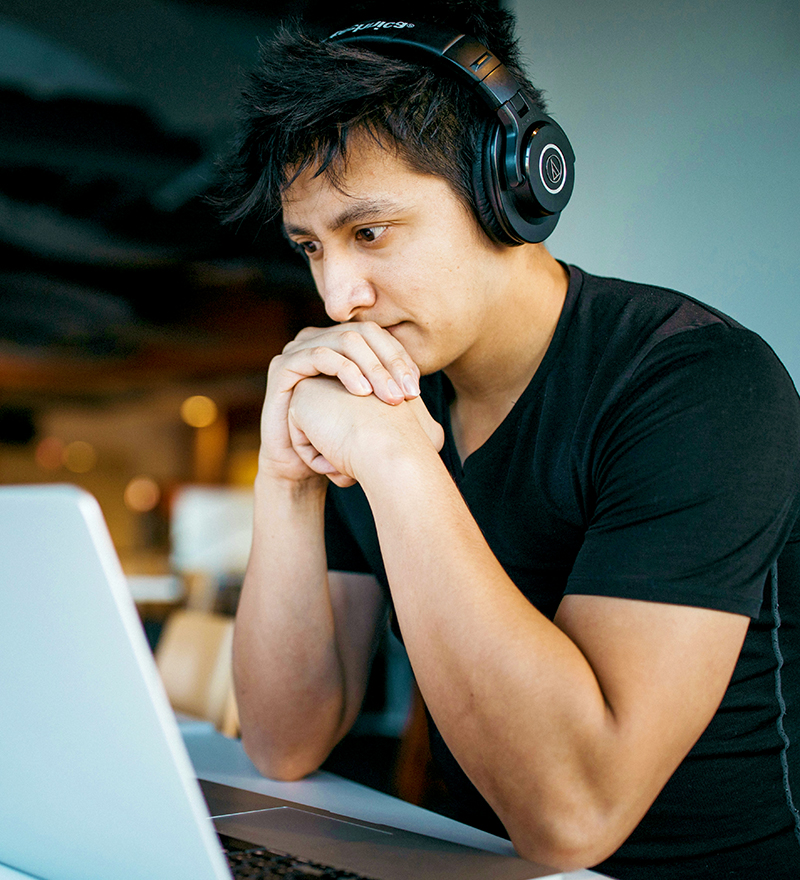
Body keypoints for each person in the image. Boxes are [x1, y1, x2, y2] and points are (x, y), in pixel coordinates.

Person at [215, 2, 800, 877]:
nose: (338, 298)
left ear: (511, 188)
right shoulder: (380, 391)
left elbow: (575, 817)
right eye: (311, 247)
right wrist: (286, 478)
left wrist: (398, 462)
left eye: (369, 232)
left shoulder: (701, 383)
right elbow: (283, 740)